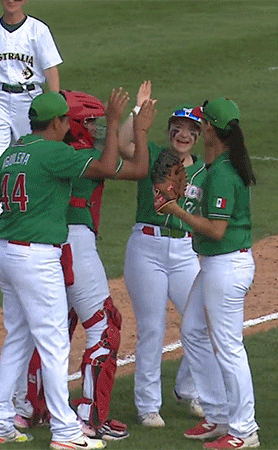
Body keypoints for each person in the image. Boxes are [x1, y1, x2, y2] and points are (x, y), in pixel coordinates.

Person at [0, 88, 140, 449]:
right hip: (35, 258)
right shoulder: (56, 153)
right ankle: (67, 432)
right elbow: (104, 165)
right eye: (66, 119)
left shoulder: (12, 151)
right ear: (55, 122)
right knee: (53, 345)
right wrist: (115, 122)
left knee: (17, 341)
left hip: (5, 252)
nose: (70, 125)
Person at [13, 89, 156, 440]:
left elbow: (109, 143)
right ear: (73, 124)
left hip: (47, 246)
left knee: (55, 326)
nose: (97, 128)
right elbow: (139, 168)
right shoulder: (82, 158)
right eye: (90, 122)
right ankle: (90, 417)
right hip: (75, 244)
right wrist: (140, 128)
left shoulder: (46, 153)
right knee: (105, 327)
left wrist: (131, 112)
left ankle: (31, 407)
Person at [159, 98, 260, 449]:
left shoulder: (223, 173)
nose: (197, 127)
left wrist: (174, 208)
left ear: (210, 130)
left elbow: (216, 230)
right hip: (216, 265)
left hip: (226, 266)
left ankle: (244, 429)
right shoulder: (219, 168)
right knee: (193, 332)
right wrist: (182, 193)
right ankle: (218, 414)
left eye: (202, 123)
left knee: (229, 348)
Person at [119, 81, 207, 428]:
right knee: (152, 328)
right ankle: (148, 406)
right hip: (147, 248)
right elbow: (123, 145)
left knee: (201, 322)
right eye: (178, 128)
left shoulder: (205, 170)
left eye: (190, 130)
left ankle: (190, 388)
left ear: (198, 137)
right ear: (169, 130)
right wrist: (138, 111)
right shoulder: (153, 154)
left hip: (184, 250)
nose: (183, 135)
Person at [0, 0, 63, 225]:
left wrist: (55, 109)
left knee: (32, 154)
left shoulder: (38, 30)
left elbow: (51, 71)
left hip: (29, 99)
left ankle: (30, 211)